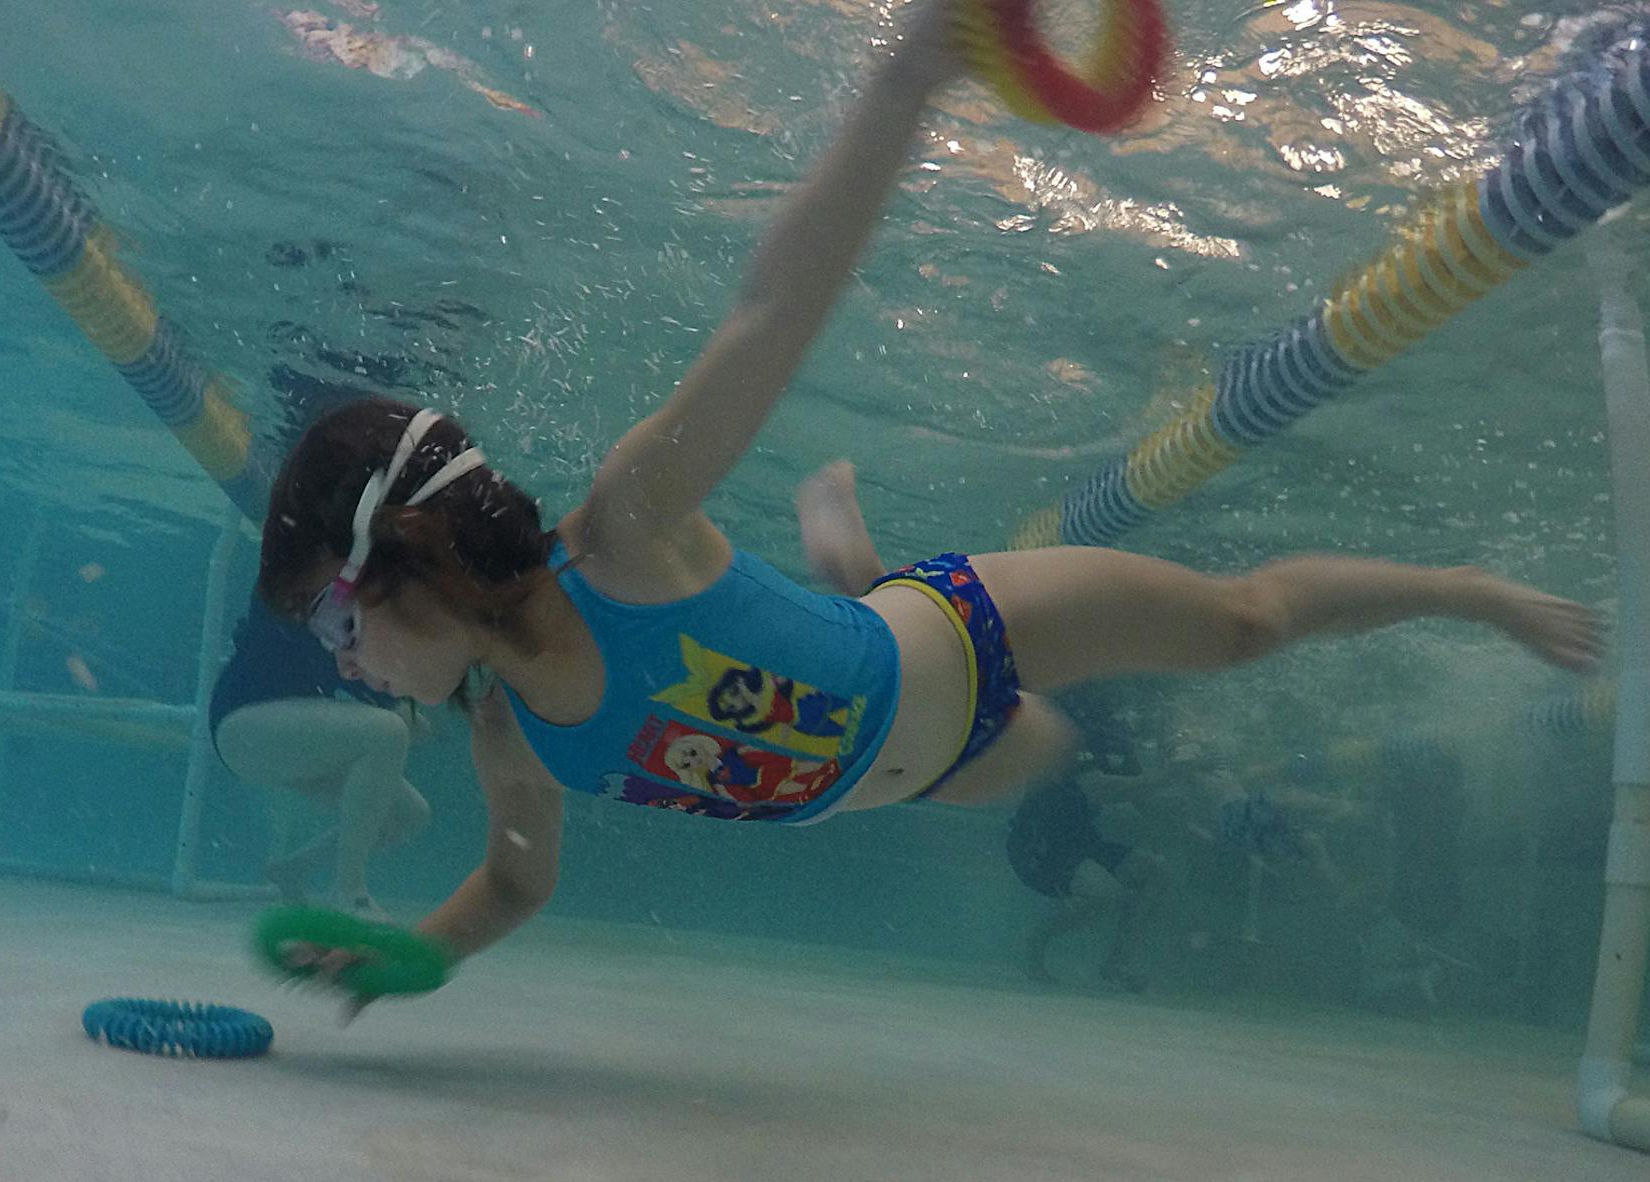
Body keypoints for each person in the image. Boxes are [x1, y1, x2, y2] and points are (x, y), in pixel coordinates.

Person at [252, 0, 1602, 1007]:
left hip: (963, 637)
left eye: (338, 623)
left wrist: (910, 75)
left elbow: (773, 308)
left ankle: (1464, 588)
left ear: (406, 558)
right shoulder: (508, 732)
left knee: (1242, 625)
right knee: (1036, 755)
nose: (346, 661)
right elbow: (516, 879)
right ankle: (851, 568)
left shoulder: (626, 530)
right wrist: (413, 954)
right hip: (922, 770)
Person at [209, 594, 431, 917]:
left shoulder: (349, 610)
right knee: (389, 732)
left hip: (277, 736)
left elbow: (353, 672)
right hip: (241, 723)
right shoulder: (304, 586)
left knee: (409, 814)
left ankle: (295, 868)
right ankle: (350, 893)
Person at [1005, 772, 1170, 991]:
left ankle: (1118, 964)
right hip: (1041, 846)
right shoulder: (1066, 756)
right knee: (1105, 893)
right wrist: (1179, 771)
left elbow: (1138, 793)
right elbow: (1109, 788)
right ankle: (1034, 939)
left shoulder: (1117, 753)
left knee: (1155, 870)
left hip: (1082, 840)